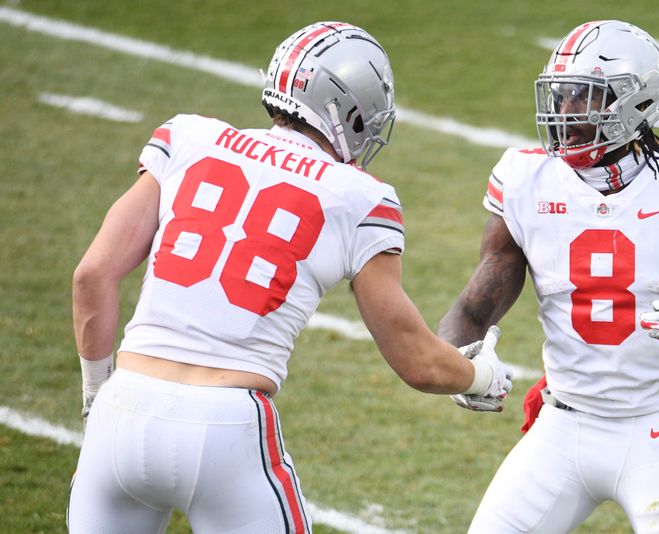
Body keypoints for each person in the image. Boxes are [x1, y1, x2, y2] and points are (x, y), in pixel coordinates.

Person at [67, 21, 512, 534]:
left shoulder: (188, 136)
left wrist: (98, 397)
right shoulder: (359, 196)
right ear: (351, 112)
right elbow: (416, 360)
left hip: (123, 407)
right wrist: (481, 377)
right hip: (225, 426)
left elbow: (92, 275)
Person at [437, 20, 659, 533]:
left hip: (658, 431)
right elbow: (475, 306)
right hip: (563, 424)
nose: (564, 112)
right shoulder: (526, 178)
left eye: (584, 98)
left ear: (638, 102)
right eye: (561, 96)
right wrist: (456, 361)